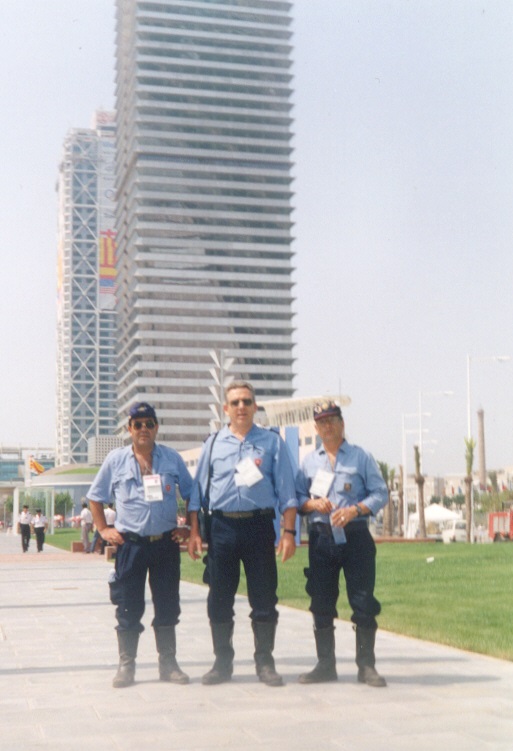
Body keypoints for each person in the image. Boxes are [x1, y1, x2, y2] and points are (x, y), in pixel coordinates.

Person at [188, 380, 298, 687]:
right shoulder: (213, 443)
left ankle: (265, 662)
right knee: (219, 597)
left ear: (255, 406)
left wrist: (288, 532)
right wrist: (195, 530)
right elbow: (198, 492)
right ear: (225, 408)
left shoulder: (272, 443)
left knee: (264, 596)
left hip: (259, 526)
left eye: (247, 402)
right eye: (235, 402)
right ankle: (222, 663)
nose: (241, 407)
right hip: (222, 528)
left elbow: (287, 492)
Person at [88, 402, 193, 688]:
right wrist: (103, 529)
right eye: (138, 424)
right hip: (130, 546)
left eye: (149, 423)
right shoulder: (116, 460)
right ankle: (127, 665)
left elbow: (193, 494)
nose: (144, 429)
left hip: (165, 545)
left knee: (168, 604)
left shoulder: (172, 459)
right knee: (128, 605)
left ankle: (168, 664)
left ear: (157, 427)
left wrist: (189, 529)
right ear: (129, 429)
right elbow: (95, 497)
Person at [295, 401, 389, 688]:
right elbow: (297, 499)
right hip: (322, 538)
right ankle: (325, 665)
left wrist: (355, 510)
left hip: (356, 536)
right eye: (322, 422)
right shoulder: (310, 461)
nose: (328, 426)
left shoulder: (360, 457)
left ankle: (366, 666)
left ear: (342, 423)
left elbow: (380, 493)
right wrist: (313, 503)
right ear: (316, 428)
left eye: (333, 420)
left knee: (362, 600)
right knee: (321, 601)